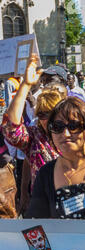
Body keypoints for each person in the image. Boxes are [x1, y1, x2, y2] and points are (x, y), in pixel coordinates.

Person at [1, 55, 61, 189]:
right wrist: (26, 84)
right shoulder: (36, 138)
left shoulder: (79, 132)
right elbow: (11, 129)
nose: (48, 119)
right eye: (42, 114)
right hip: (44, 206)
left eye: (53, 113)